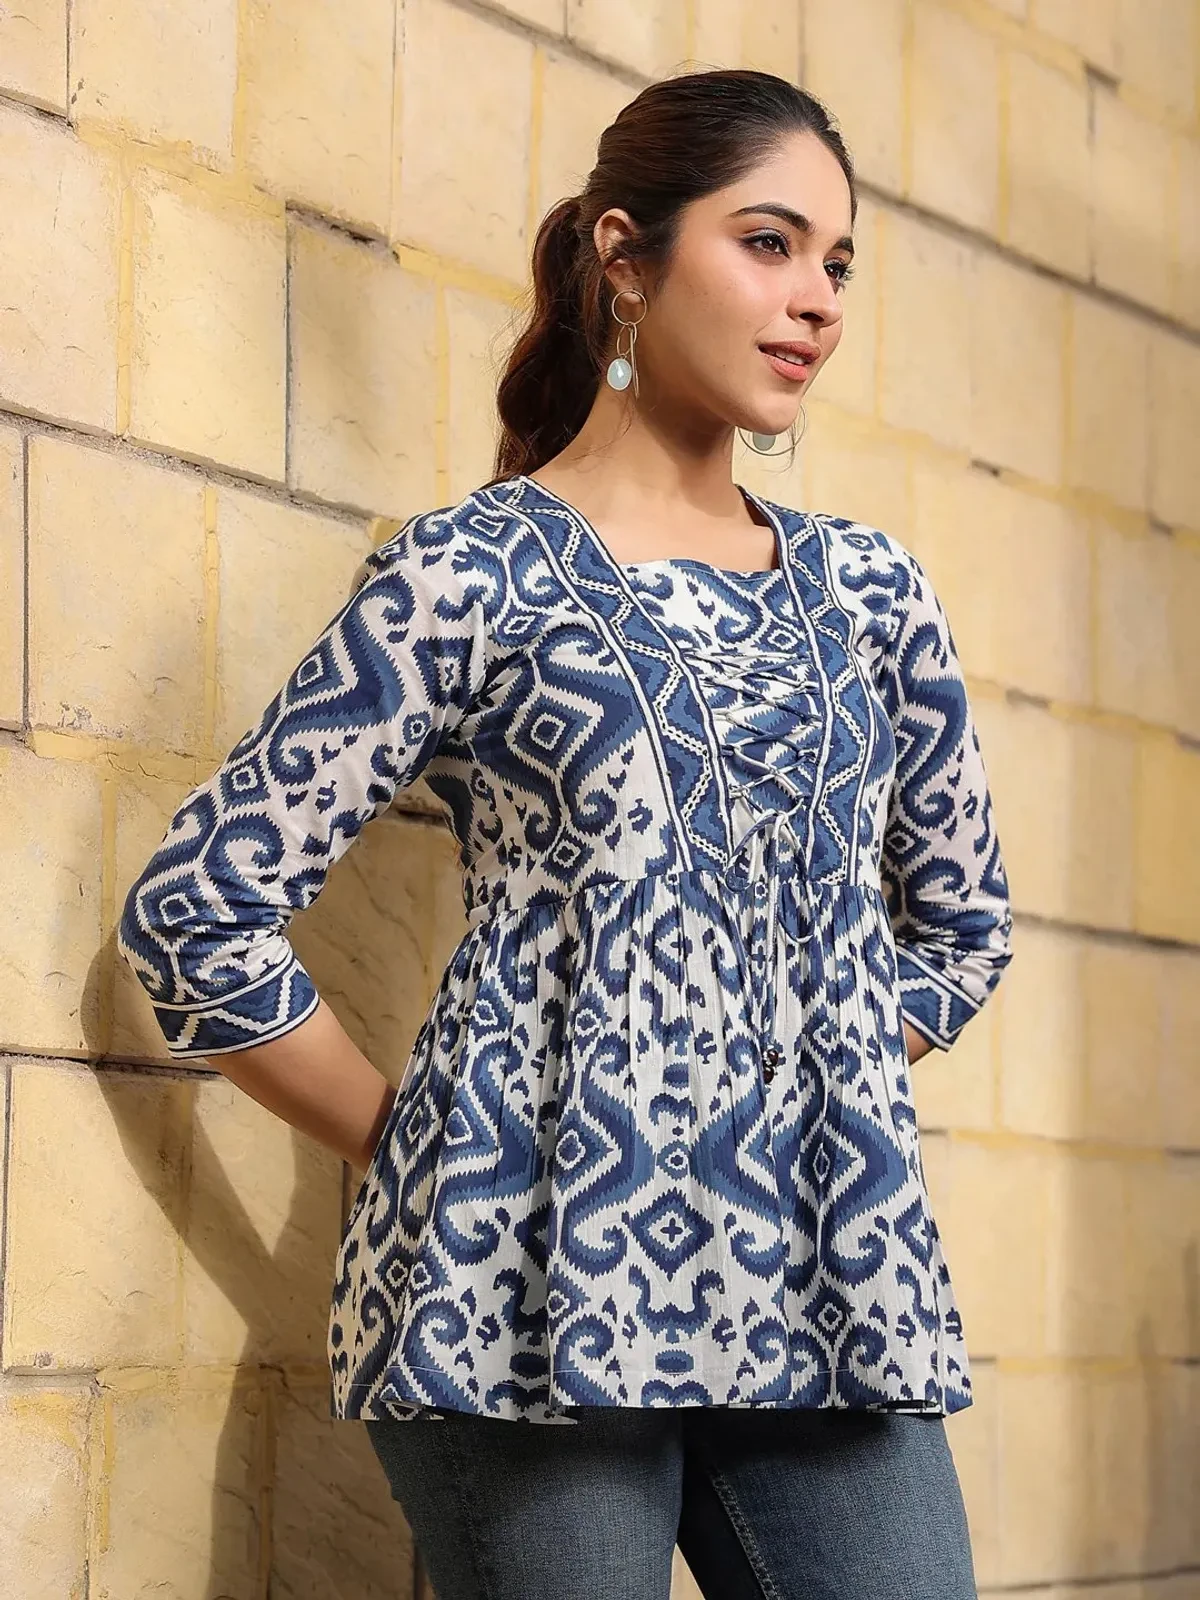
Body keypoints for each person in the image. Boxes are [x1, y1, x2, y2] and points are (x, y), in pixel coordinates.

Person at [118, 67, 1014, 1600]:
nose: (816, 299)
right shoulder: (471, 570)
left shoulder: (875, 597)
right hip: (520, 1294)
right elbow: (197, 911)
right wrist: (420, 1136)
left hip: (827, 1287)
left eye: (838, 262)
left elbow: (964, 928)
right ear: (625, 257)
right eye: (770, 243)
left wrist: (815, 1062)